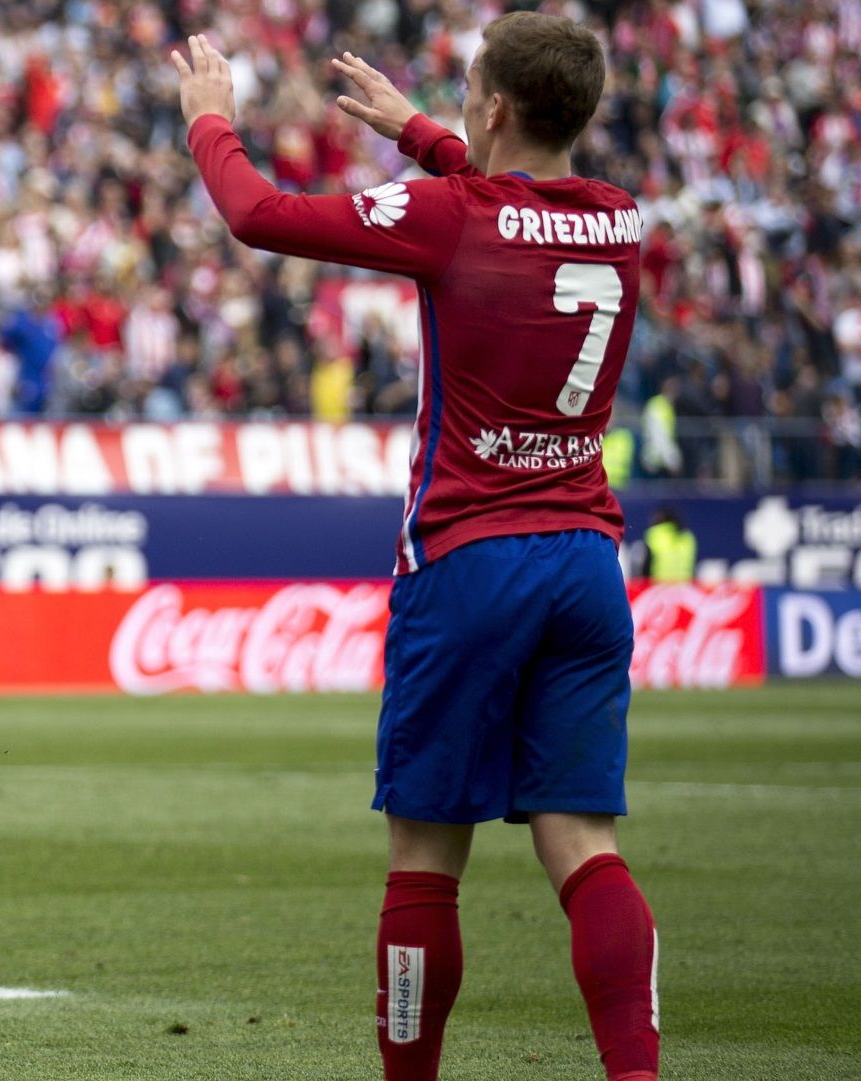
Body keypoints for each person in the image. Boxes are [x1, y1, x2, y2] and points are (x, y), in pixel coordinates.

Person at [174, 18, 659, 1081]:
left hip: (469, 560)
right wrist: (423, 133)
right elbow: (514, 202)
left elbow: (258, 215)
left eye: (470, 89)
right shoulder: (620, 219)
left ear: (496, 107)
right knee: (586, 844)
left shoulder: (451, 215)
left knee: (426, 859)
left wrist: (211, 121)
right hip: (586, 560)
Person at [641, 507, 697, 583]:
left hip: (659, 584)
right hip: (684, 585)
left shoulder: (654, 534)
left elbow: (646, 565)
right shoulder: (688, 536)